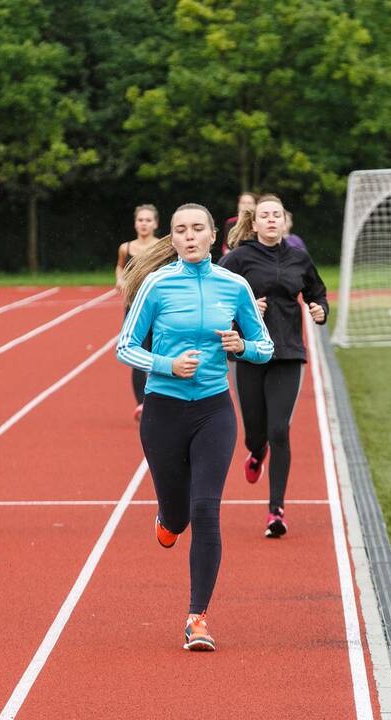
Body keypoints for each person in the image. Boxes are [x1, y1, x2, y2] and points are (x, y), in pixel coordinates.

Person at [116, 203, 274, 651]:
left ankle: (197, 618)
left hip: (214, 410)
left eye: (197, 229)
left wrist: (242, 344)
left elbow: (264, 346)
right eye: (181, 230)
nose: (189, 236)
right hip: (163, 409)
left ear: (211, 237)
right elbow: (125, 346)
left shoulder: (234, 285)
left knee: (206, 510)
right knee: (180, 515)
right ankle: (168, 516)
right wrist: (166, 364)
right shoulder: (156, 284)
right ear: (174, 238)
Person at [219, 194, 328, 537]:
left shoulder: (299, 258)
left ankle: (275, 511)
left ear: (284, 221)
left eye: (276, 215)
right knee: (255, 431)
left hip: (288, 352)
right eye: (264, 215)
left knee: (280, 430)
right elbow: (216, 296)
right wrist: (246, 306)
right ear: (254, 223)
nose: (270, 220)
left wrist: (320, 309)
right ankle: (255, 451)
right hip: (249, 352)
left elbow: (317, 292)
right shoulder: (239, 258)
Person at [115, 204, 160, 420]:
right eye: (141, 220)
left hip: (158, 307)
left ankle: (160, 398)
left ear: (155, 224)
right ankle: (141, 404)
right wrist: (120, 279)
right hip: (134, 307)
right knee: (136, 352)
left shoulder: (162, 247)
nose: (144, 224)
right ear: (135, 223)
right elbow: (120, 267)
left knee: (158, 352)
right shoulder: (126, 247)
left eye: (148, 220)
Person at [218, 191, 257, 261]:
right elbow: (225, 243)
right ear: (238, 205)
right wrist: (226, 252)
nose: (246, 205)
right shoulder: (230, 222)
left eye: (249, 203)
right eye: (243, 203)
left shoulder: (258, 223)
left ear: (255, 205)